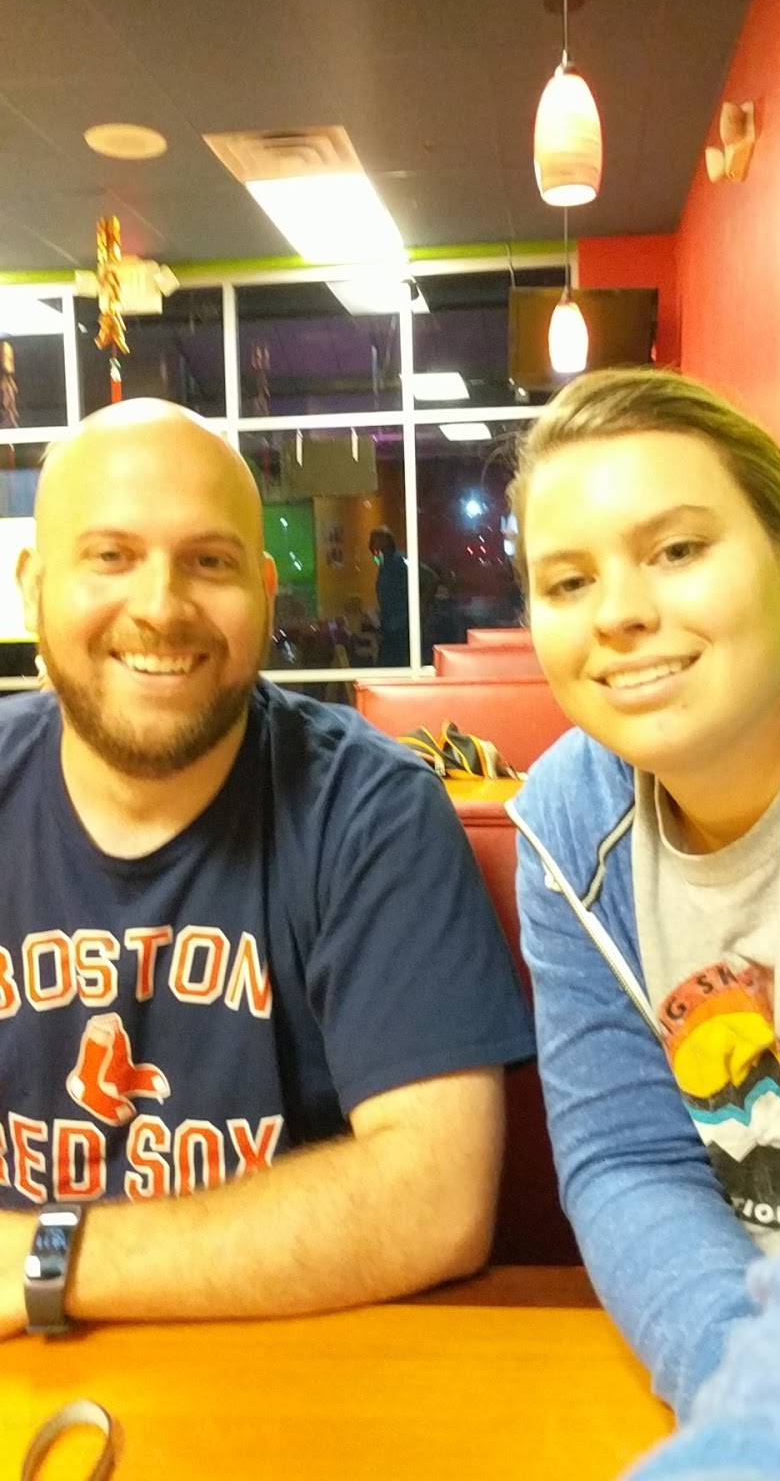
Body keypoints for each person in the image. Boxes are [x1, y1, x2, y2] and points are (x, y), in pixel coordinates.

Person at [0, 398, 534, 1339]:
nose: (160, 607)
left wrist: (48, 1260)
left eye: (209, 562)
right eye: (111, 555)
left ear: (265, 590)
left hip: (294, 1357)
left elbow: (435, 1199)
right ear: (33, 585)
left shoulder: (369, 809)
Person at [506, 367, 780, 1481]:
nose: (619, 611)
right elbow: (627, 1160)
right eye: (569, 580)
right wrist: (739, 1386)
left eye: (676, 549)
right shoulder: (567, 829)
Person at [368, 526, 409, 666]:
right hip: (389, 624)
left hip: (400, 625)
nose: (371, 545)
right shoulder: (383, 563)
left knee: (394, 663)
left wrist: (420, 608)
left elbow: (429, 578)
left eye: (375, 540)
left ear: (386, 541)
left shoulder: (399, 561)